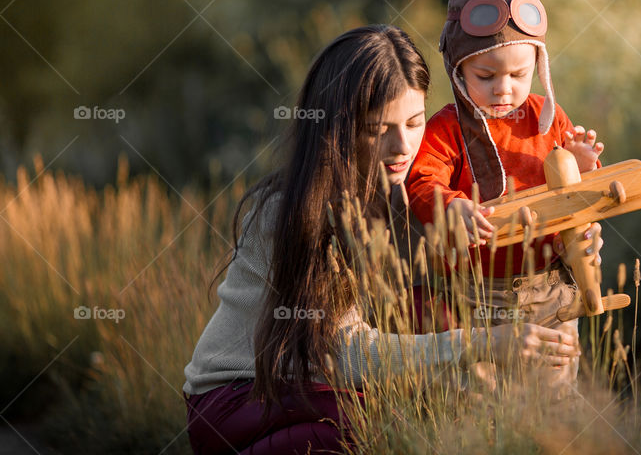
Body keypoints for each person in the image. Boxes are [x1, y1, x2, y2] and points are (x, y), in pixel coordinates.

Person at [181, 25, 591, 454]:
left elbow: (461, 293)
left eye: (414, 123)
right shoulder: (289, 210)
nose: (402, 146)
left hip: (320, 391)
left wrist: (564, 249)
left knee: (434, 322)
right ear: (338, 127)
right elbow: (347, 355)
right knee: (390, 422)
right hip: (240, 400)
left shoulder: (410, 194)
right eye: (379, 128)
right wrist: (486, 344)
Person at [405, 0, 605, 383]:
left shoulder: (545, 119)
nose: (504, 90)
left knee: (551, 395)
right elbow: (422, 181)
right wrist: (451, 206)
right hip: (472, 294)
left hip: (548, 283)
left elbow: (578, 195)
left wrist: (582, 166)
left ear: (538, 65)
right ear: (458, 69)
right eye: (486, 76)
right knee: (477, 400)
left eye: (518, 75)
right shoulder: (447, 129)